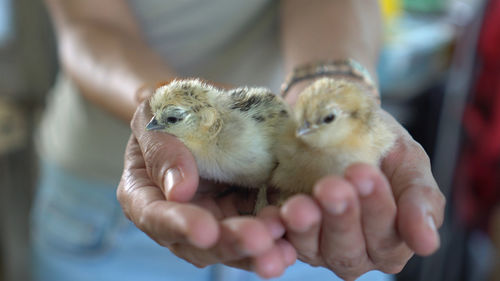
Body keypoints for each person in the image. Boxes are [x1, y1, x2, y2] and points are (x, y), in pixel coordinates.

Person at [32, 0, 445, 280]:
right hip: (101, 203)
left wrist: (330, 85)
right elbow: (90, 21)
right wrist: (154, 112)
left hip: (305, 196)